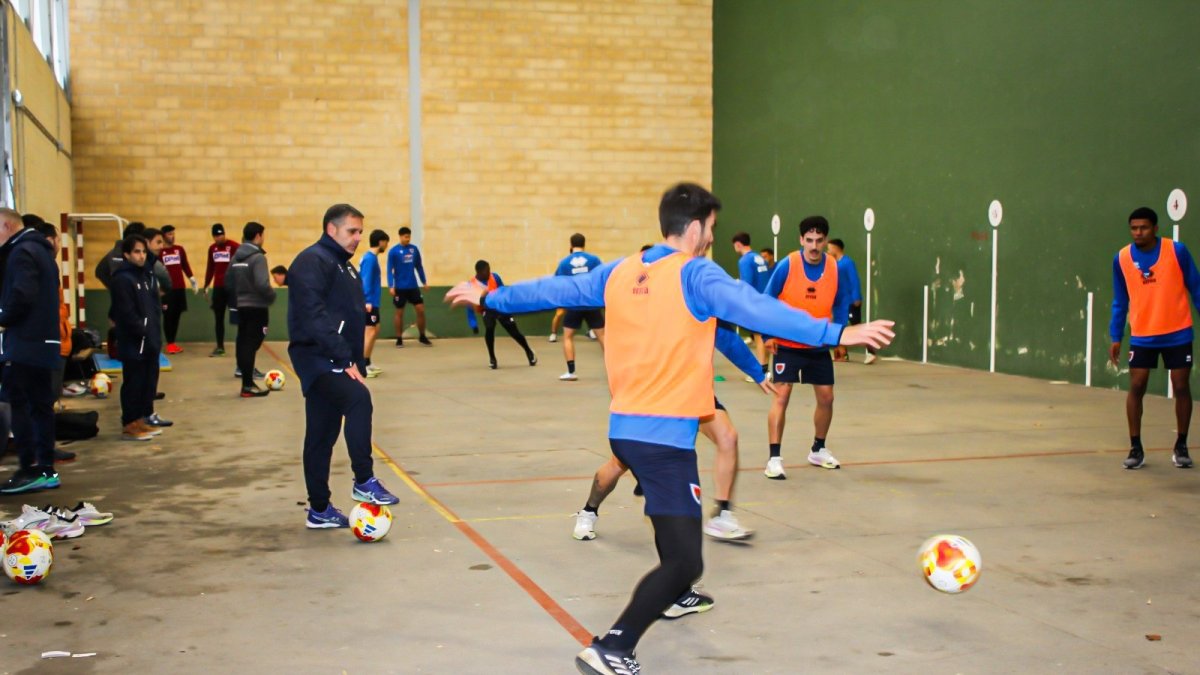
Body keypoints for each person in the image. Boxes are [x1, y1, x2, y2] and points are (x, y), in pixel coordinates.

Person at [445, 183, 893, 674]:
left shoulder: (622, 269)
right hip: (663, 441)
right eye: (712, 230)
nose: (711, 239)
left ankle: (675, 598)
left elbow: (555, 290)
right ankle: (614, 644)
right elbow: (757, 309)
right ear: (697, 227)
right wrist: (837, 333)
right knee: (686, 561)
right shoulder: (696, 273)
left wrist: (493, 299)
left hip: (625, 430)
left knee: (670, 523)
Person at [573, 321, 772, 545]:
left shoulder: (700, 299)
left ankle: (722, 516)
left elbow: (726, 337)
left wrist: (758, 372)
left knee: (728, 437)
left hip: (694, 392)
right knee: (620, 462)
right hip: (654, 393)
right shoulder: (654, 303)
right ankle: (589, 511)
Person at [289, 204, 400, 528]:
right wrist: (344, 358)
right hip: (317, 357)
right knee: (357, 399)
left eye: (360, 232)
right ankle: (363, 480)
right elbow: (313, 317)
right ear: (331, 229)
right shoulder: (313, 261)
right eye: (352, 231)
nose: (358, 238)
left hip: (335, 357)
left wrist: (356, 360)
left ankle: (319, 509)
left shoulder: (343, 266)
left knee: (322, 435)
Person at [761, 216, 857, 478]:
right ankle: (774, 458)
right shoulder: (787, 265)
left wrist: (837, 335)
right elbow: (766, 300)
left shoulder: (835, 267)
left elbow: (841, 302)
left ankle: (818, 448)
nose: (814, 246)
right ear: (801, 240)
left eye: (819, 240)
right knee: (782, 396)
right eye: (809, 240)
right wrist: (767, 334)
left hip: (818, 344)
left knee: (827, 397)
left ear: (826, 241)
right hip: (787, 343)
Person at [1110, 206, 1200, 470]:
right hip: (1142, 335)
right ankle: (1135, 447)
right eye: (1134, 228)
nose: (1138, 232)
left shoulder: (1177, 251)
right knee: (1137, 386)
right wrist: (1116, 335)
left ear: (1155, 228)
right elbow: (1120, 300)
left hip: (1178, 331)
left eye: (1144, 227)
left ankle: (1181, 445)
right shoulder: (1122, 258)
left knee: (1181, 385)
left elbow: (1196, 287)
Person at [0, 208, 67, 493]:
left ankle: (31, 467)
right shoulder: (42, 251)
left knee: (23, 404)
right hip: (43, 342)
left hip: (26, 344)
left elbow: (21, 295)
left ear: (6, 225)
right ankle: (45, 468)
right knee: (40, 406)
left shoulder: (22, 252)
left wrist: (3, 317)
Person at [107, 234, 162, 442]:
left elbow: (153, 309)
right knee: (134, 383)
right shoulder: (122, 279)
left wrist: (155, 335)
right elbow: (126, 312)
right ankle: (129, 423)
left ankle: (139, 420)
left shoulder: (146, 276)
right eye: (137, 252)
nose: (141, 256)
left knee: (147, 383)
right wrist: (142, 331)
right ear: (127, 254)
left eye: (143, 252)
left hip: (150, 340)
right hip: (134, 342)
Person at [226, 222, 275, 397]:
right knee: (252, 342)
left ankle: (246, 380)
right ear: (258, 236)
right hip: (257, 307)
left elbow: (228, 281)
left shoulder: (235, 258)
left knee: (243, 341)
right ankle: (247, 385)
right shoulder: (258, 257)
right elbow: (262, 284)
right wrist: (271, 296)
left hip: (240, 306)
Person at [555, 233, 605, 381]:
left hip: (574, 304)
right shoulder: (594, 260)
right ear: (584, 244)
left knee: (568, 337)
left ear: (571, 245)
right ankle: (614, 370)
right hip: (592, 303)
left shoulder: (564, 263)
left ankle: (571, 372)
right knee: (603, 336)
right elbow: (602, 279)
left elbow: (558, 284)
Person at [470, 260, 537, 369]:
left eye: (489, 270)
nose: (488, 273)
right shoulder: (473, 284)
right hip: (487, 310)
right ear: (479, 272)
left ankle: (529, 351)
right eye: (486, 271)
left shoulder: (495, 277)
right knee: (489, 327)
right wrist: (473, 323)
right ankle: (492, 358)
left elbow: (503, 291)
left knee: (514, 332)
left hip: (500, 307)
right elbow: (471, 305)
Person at [827, 238, 875, 364]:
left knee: (857, 327)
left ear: (836, 248)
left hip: (850, 302)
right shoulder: (833, 263)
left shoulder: (847, 262)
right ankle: (842, 355)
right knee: (840, 328)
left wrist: (856, 297)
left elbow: (854, 280)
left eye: (829, 248)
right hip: (838, 303)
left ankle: (871, 352)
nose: (828, 250)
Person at [732, 232, 771, 378]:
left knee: (759, 336)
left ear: (738, 244)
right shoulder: (760, 258)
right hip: (766, 300)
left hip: (755, 302)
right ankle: (765, 369)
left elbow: (746, 284)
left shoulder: (744, 260)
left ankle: (761, 371)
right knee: (765, 336)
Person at [387, 226, 430, 347]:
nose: (408, 239)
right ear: (400, 237)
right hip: (400, 287)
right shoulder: (393, 251)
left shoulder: (414, 250)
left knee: (420, 310)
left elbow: (419, 267)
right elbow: (389, 270)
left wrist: (424, 281)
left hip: (413, 286)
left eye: (409, 237)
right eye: (405, 237)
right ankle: (399, 338)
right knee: (399, 313)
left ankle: (422, 336)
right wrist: (391, 285)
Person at [159, 225, 197, 354]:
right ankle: (169, 343)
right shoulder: (160, 252)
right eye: (169, 234)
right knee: (168, 316)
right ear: (163, 236)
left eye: (173, 234)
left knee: (176, 315)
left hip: (179, 288)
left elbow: (185, 265)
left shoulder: (179, 249)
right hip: (166, 290)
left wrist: (192, 279)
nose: (172, 236)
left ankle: (173, 342)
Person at [203, 223, 239, 357]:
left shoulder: (234, 246)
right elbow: (210, 268)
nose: (219, 238)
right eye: (216, 236)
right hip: (218, 288)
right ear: (213, 237)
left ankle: (242, 345)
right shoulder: (212, 249)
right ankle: (220, 346)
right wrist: (206, 285)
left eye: (221, 234)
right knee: (218, 318)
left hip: (232, 287)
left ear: (225, 233)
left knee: (237, 317)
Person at [360, 229, 389, 377]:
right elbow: (365, 281)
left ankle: (368, 362)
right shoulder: (370, 259)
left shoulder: (371, 258)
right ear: (381, 242)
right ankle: (362, 366)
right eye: (386, 242)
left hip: (374, 302)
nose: (387, 245)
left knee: (375, 329)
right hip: (369, 302)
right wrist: (367, 301)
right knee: (369, 332)